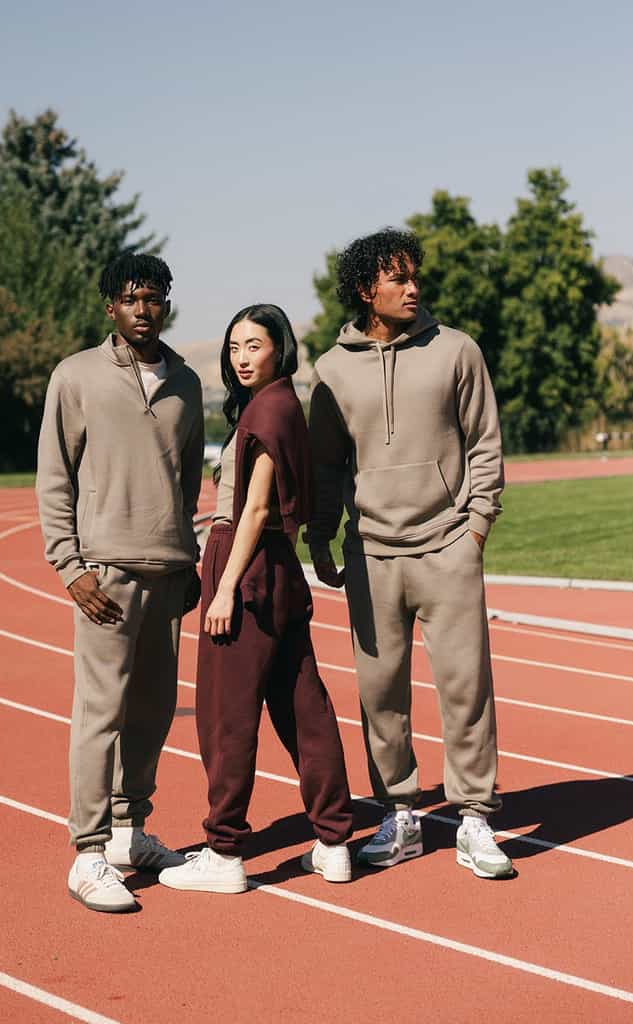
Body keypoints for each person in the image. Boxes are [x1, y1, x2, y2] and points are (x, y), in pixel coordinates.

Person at [305, 229, 514, 880]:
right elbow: (324, 465)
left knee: (466, 688)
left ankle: (474, 816)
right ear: (365, 290)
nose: (413, 287)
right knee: (380, 696)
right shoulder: (332, 369)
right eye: (398, 278)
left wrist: (475, 528)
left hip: (448, 546)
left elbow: (484, 443)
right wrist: (321, 536)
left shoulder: (457, 350)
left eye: (414, 276)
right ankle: (400, 814)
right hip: (371, 554)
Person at [158, 304, 353, 894]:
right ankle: (334, 843)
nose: (242, 358)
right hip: (278, 570)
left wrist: (223, 589)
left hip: (244, 565)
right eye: (234, 347)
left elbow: (257, 508)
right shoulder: (285, 403)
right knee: (304, 708)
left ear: (279, 348)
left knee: (227, 717)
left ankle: (224, 853)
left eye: (254, 346)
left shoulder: (266, 410)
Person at [36, 251, 204, 912]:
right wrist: (70, 567)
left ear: (166, 304)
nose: (143, 309)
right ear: (111, 307)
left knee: (154, 710)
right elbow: (55, 477)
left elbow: (187, 482)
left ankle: (130, 831)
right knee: (100, 713)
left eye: (153, 297)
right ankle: (88, 851)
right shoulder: (76, 376)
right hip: (104, 574)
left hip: (169, 568)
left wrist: (188, 555)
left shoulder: (186, 383)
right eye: (131, 298)